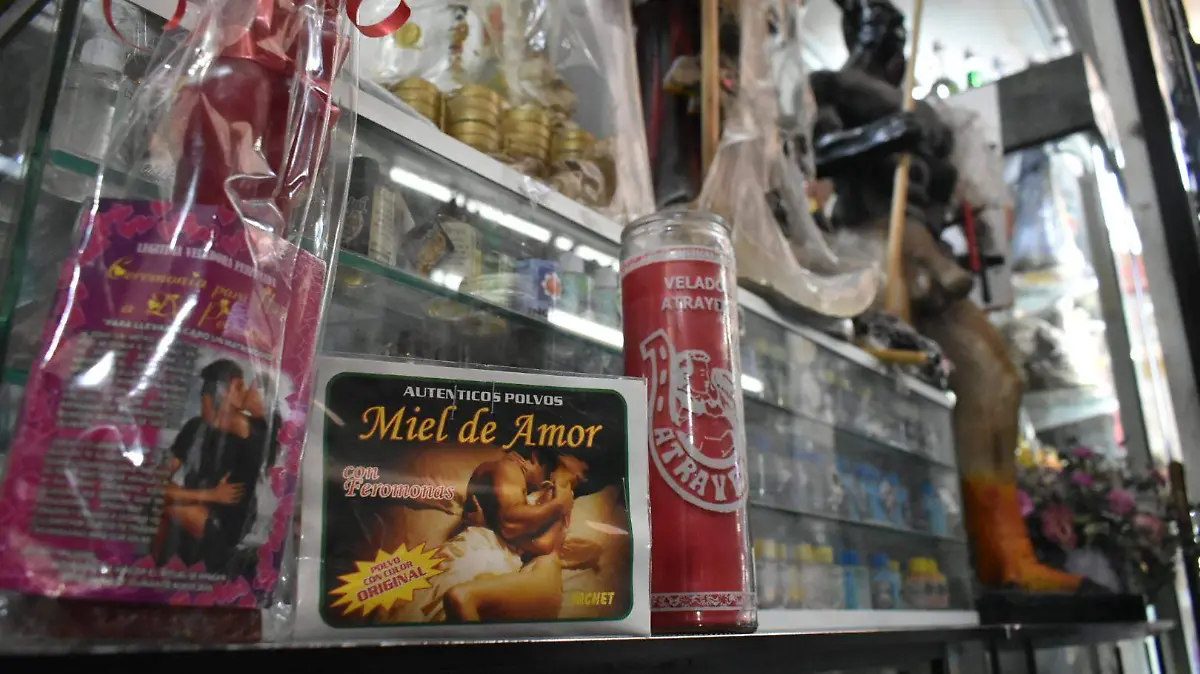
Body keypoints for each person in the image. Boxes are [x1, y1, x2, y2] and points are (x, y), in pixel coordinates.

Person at [415, 447, 588, 623]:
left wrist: (489, 523)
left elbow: (542, 543)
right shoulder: (509, 469)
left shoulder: (549, 494)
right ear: (533, 458)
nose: (543, 481)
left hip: (502, 565)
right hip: (480, 555)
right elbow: (510, 524)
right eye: (546, 471)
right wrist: (558, 504)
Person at [153, 359, 269, 575]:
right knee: (160, 502)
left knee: (165, 507)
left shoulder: (249, 431)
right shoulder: (195, 428)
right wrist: (210, 495)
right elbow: (158, 483)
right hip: (200, 503)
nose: (245, 393)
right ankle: (156, 568)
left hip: (225, 523)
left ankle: (156, 569)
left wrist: (257, 412)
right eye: (238, 387)